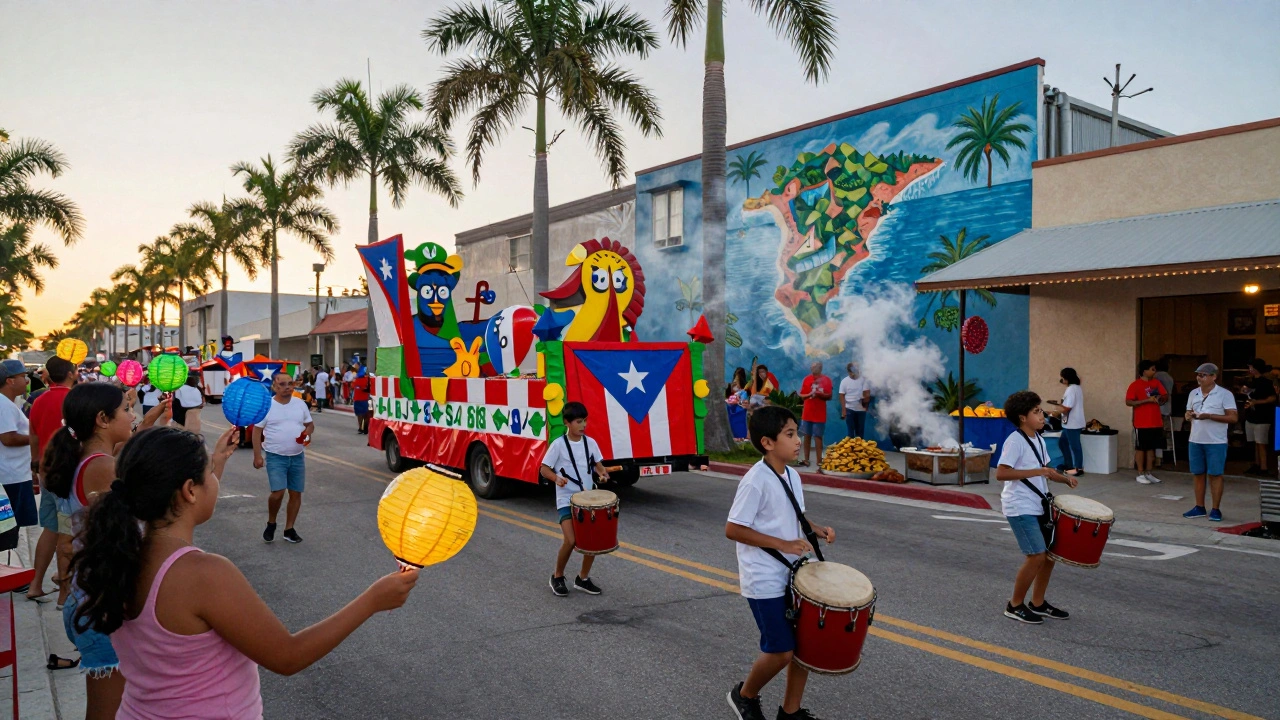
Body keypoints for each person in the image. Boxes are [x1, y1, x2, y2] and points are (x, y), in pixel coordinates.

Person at [68, 426, 419, 719]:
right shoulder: (203, 574)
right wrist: (372, 600)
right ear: (190, 490)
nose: (215, 480)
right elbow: (287, 656)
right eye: (209, 474)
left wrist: (214, 460)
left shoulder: (122, 553)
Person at [44, 382, 169, 715]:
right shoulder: (101, 468)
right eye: (126, 409)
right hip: (100, 608)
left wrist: (148, 423)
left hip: (90, 599)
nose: (132, 415)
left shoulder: (92, 457)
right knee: (106, 714)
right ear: (102, 418)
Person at [725, 406, 835, 720]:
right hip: (763, 579)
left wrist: (817, 529)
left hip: (792, 575)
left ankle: (790, 712)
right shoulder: (755, 480)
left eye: (797, 433)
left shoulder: (791, 474)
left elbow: (793, 516)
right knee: (780, 650)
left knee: (803, 648)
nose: (798, 440)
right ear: (768, 442)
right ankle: (744, 695)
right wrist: (782, 544)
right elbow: (733, 528)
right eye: (790, 434)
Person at [996, 391, 1077, 625]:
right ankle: (1014, 605)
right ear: (1023, 417)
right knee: (1036, 556)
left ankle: (1038, 603)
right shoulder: (1015, 441)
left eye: (1041, 410)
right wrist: (1037, 472)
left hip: (1037, 504)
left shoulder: (1038, 439)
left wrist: (1065, 479)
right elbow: (1002, 473)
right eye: (1036, 411)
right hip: (1019, 506)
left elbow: (1046, 470)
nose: (1042, 415)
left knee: (1048, 557)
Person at [539, 401, 610, 598]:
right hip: (566, 499)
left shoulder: (591, 443)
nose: (583, 425)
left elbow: (599, 466)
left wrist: (603, 473)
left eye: (585, 421)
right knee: (571, 540)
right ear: (567, 423)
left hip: (587, 499)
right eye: (579, 421)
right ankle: (558, 576)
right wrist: (556, 478)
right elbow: (544, 469)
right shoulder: (558, 445)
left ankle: (583, 578)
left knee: (592, 541)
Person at [26, 356, 77, 604]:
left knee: (51, 529)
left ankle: (36, 585)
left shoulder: (38, 400)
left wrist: (36, 466)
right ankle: (64, 594)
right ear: (70, 373)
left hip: (47, 472)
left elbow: (33, 437)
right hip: (70, 473)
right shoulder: (75, 400)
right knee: (68, 531)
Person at [253, 373, 313, 544]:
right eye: (283, 384)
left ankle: (289, 529)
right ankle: (271, 522)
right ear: (275, 387)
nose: (287, 387)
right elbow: (257, 431)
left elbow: (310, 425)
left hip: (297, 456)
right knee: (277, 493)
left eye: (290, 383)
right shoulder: (267, 406)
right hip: (275, 456)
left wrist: (306, 434)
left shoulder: (300, 404)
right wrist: (257, 456)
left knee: (295, 493)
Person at [1182, 364, 1238, 522]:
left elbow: (1233, 418)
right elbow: (1188, 411)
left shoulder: (1224, 394)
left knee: (1215, 474)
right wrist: (1188, 415)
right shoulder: (1194, 393)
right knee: (1197, 473)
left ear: (1214, 377)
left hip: (1216, 441)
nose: (1200, 377)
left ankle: (1215, 509)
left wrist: (1210, 416)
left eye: (1204, 375)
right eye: (1198, 375)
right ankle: (1199, 506)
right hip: (1195, 439)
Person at [0, 360, 40, 547]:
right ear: (9, 381)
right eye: (23, 377)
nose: (26, 381)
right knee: (9, 533)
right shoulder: (2, 404)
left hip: (15, 474)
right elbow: (8, 438)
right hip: (11, 478)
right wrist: (37, 438)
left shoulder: (9, 403)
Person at [1126, 360, 1168, 484]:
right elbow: (1129, 402)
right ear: (1144, 371)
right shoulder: (1135, 385)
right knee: (1141, 448)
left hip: (1155, 421)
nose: (1154, 372)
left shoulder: (1156, 383)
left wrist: (1161, 398)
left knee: (1151, 448)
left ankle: (1149, 472)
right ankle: (1140, 472)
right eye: (1152, 369)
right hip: (1141, 422)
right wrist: (1146, 401)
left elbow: (1165, 396)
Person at [1047, 368, 1085, 476]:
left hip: (1072, 423)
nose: (1061, 380)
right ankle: (1069, 465)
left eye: (1062, 377)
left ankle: (1078, 469)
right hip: (1069, 423)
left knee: (1075, 446)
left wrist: (1056, 411)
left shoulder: (1072, 389)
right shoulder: (1075, 388)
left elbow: (1067, 407)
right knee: (1063, 442)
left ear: (1066, 378)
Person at [1242, 358, 1275, 477]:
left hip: (1262, 417)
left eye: (1251, 367)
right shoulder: (1250, 381)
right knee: (1255, 442)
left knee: (1261, 442)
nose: (1249, 369)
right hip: (1251, 416)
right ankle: (1257, 464)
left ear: (1256, 368)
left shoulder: (1266, 382)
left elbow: (1272, 398)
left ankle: (1264, 467)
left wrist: (1256, 402)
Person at [798, 362, 832, 467]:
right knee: (806, 436)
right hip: (807, 413)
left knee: (818, 437)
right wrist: (809, 394)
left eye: (815, 366)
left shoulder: (826, 380)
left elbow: (829, 396)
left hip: (819, 414)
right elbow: (802, 395)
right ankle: (806, 459)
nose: (812, 368)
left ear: (820, 368)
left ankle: (819, 460)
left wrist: (820, 394)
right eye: (812, 366)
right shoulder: (807, 379)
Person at [838, 363, 871, 440]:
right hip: (849, 409)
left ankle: (859, 450)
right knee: (850, 432)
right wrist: (844, 411)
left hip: (861, 410)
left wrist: (866, 405)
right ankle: (851, 449)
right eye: (850, 373)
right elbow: (841, 396)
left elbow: (867, 394)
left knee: (860, 432)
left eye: (854, 372)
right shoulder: (844, 381)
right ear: (848, 372)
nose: (852, 374)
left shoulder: (863, 380)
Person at [351, 366, 371, 435]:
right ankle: (364, 428)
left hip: (357, 399)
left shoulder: (355, 380)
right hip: (364, 399)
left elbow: (352, 387)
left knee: (359, 415)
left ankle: (360, 428)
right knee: (366, 415)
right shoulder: (367, 379)